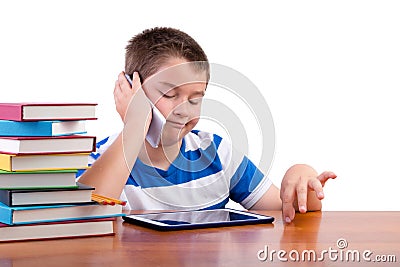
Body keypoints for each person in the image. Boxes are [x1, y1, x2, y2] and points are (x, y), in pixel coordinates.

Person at [78, 27, 336, 223]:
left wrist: (300, 176)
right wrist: (135, 125)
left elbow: (290, 212)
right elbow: (83, 221)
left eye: (196, 98)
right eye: (170, 95)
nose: (184, 110)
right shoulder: (98, 159)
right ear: (131, 90)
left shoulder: (217, 152)